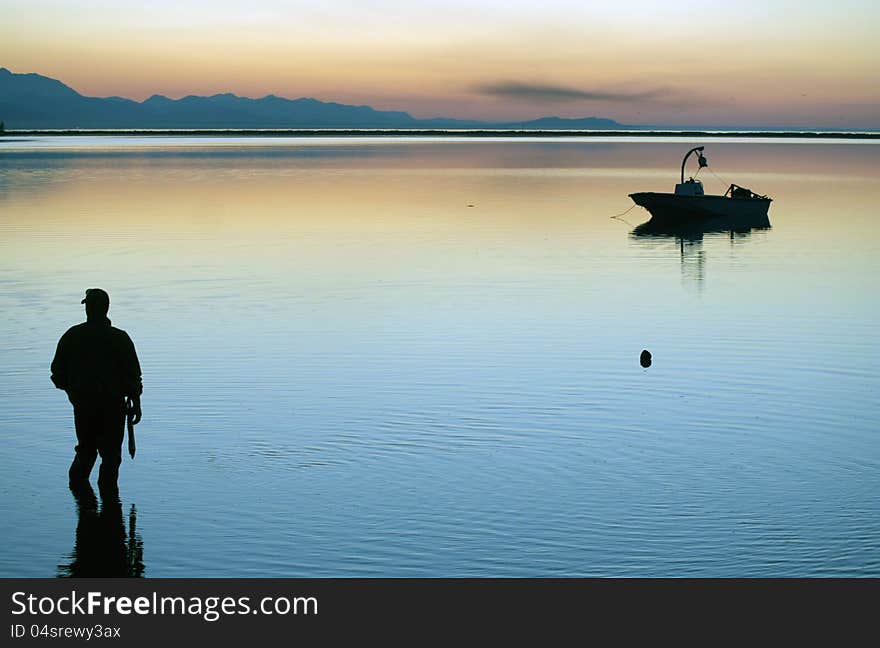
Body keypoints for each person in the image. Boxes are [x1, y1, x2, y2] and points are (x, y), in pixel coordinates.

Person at [51, 289, 142, 492]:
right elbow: (133, 376)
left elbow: (57, 374)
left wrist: (73, 393)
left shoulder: (72, 336)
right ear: (106, 308)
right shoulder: (120, 338)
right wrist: (136, 402)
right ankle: (109, 507)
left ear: (89, 308)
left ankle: (83, 504)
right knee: (111, 457)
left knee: (86, 451)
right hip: (113, 407)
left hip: (84, 406)